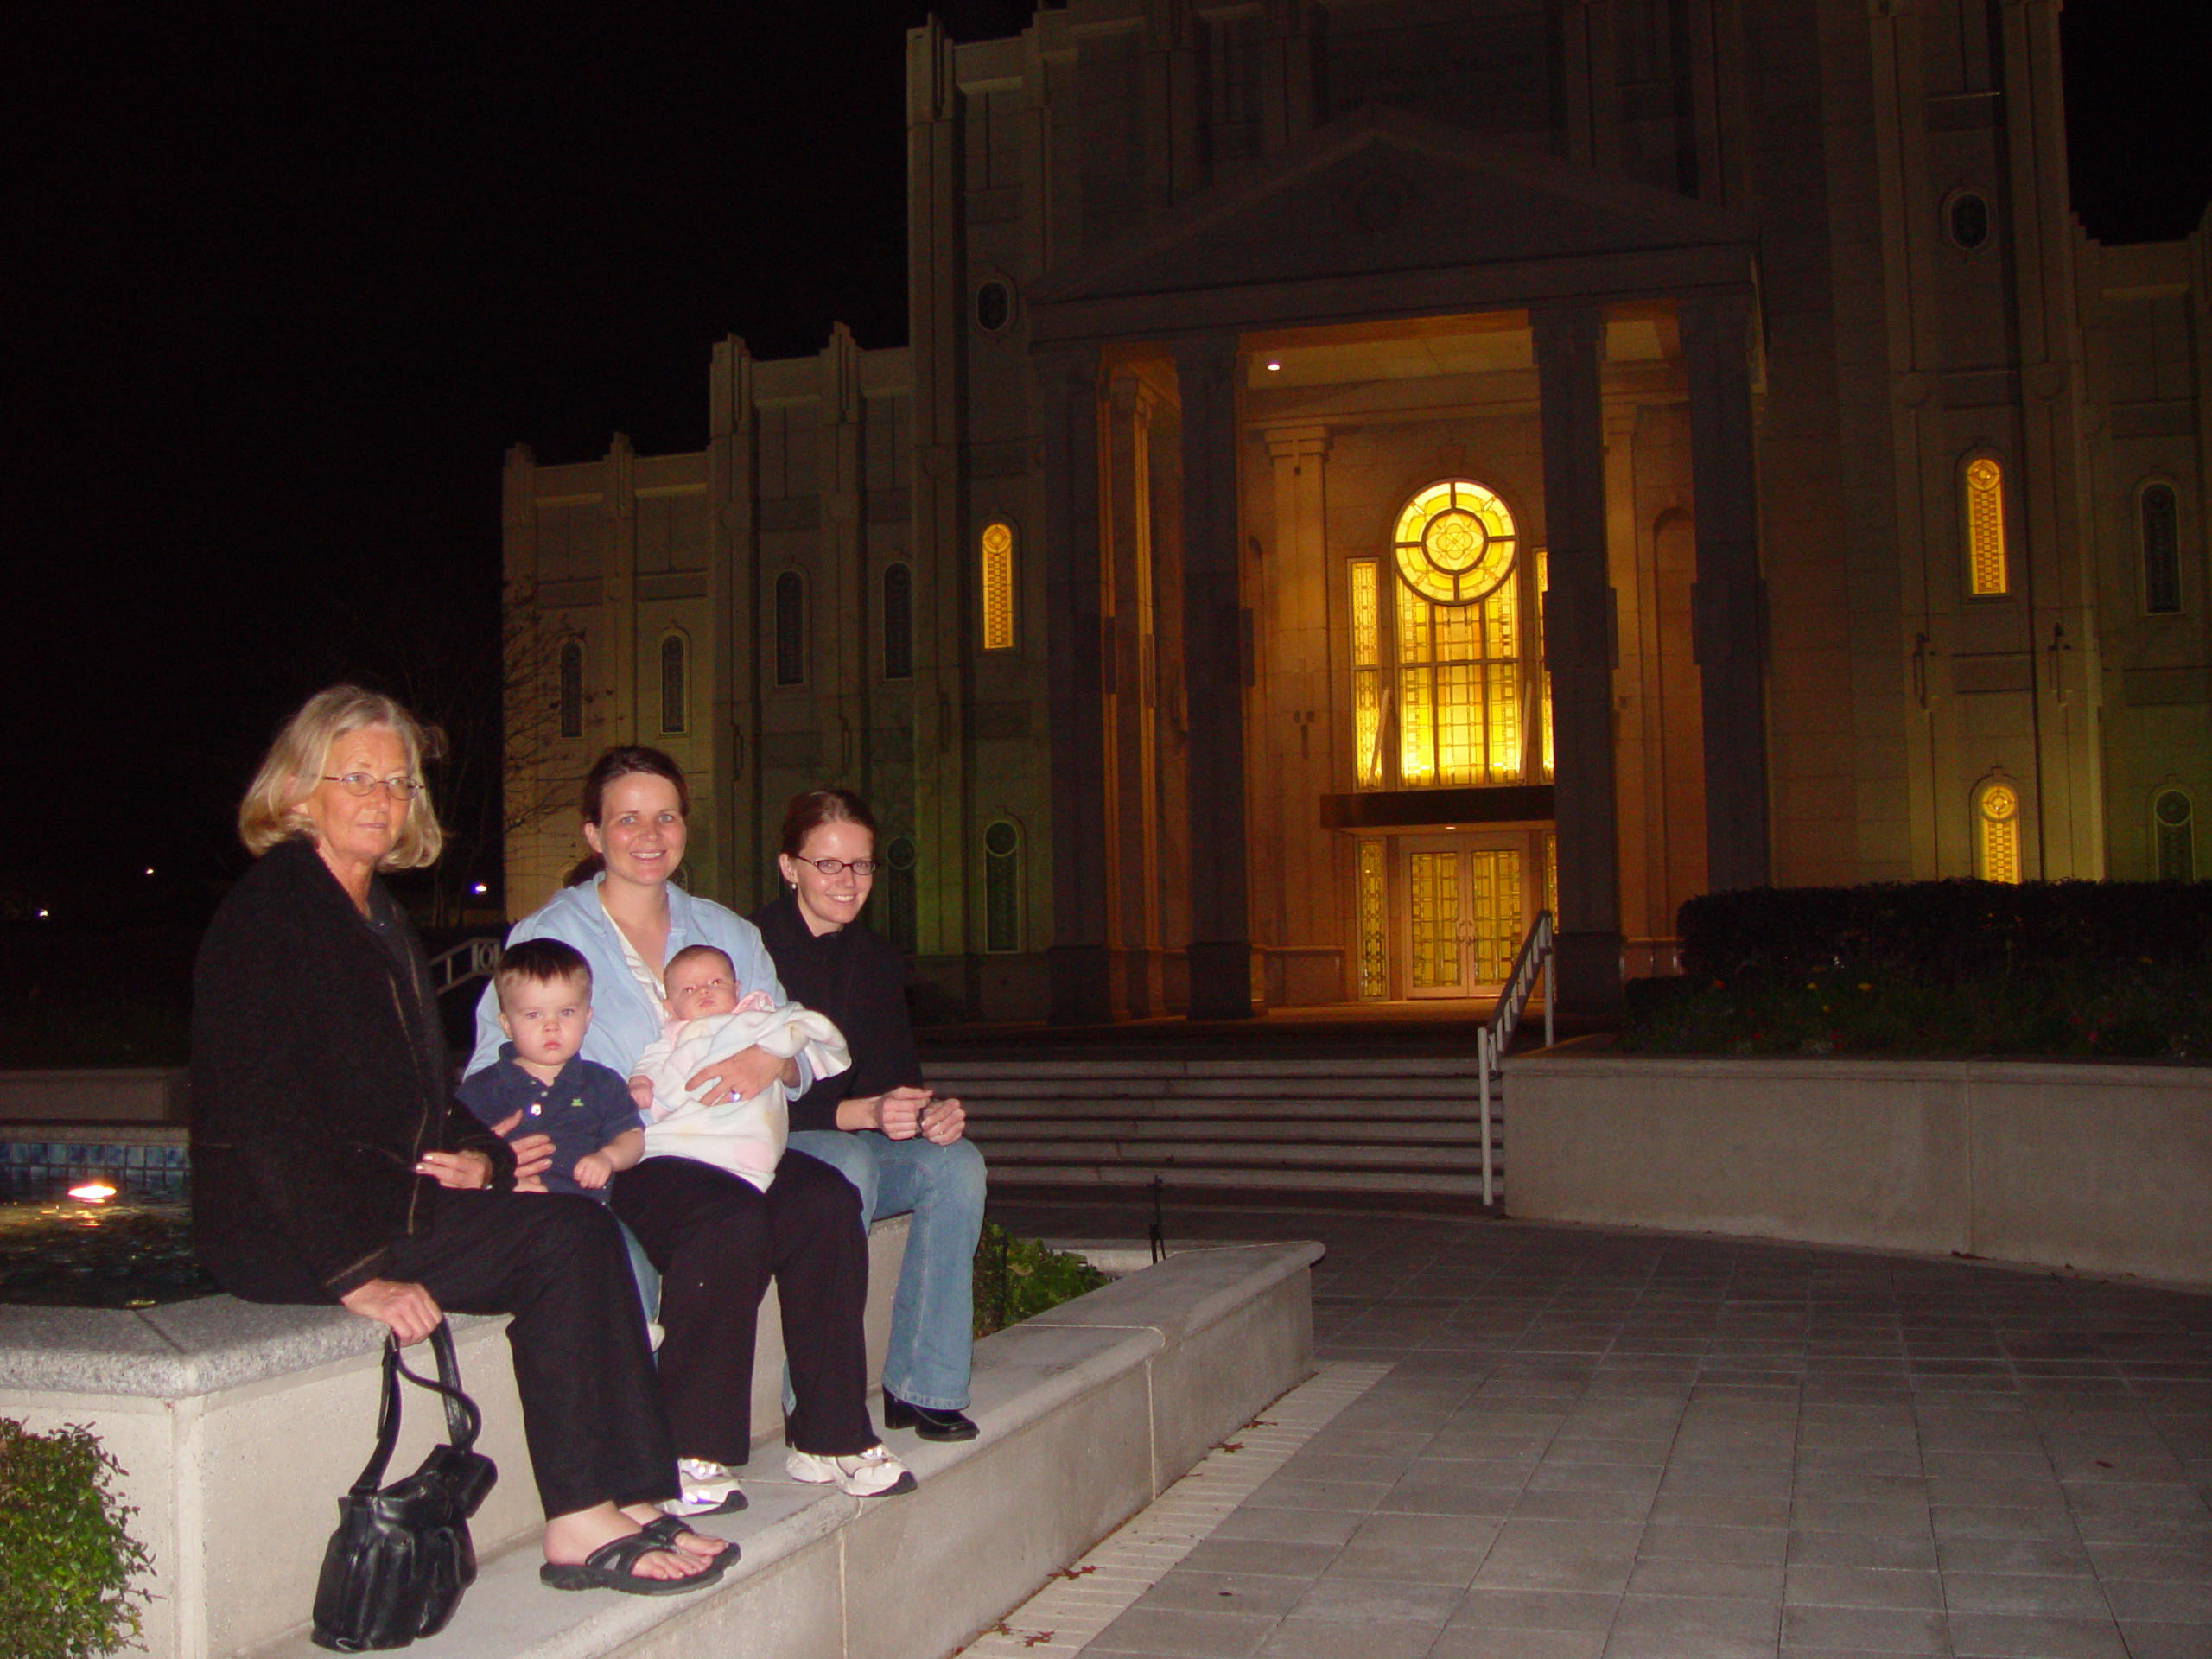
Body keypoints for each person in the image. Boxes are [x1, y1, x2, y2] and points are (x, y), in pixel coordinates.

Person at [189, 686, 728, 1596]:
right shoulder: (273, 917)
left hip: (383, 1197)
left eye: (396, 782)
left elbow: (426, 1082)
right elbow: (263, 1117)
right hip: (305, 1231)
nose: (380, 797)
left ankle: (634, 1491)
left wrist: (479, 1149)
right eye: (354, 776)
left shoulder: (371, 914)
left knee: (580, 1227)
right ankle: (578, 1518)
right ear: (296, 790)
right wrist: (356, 1273)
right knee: (559, 1245)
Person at [473, 747, 913, 1507]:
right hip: (636, 1149)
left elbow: (798, 1044)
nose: (651, 833)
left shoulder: (725, 930)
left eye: (667, 815)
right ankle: (689, 1449)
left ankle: (830, 1432)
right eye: (629, 818)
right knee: (727, 1221)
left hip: (741, 1142)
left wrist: (766, 1062)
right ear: (594, 833)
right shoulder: (549, 936)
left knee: (825, 1198)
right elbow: (494, 1057)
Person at [753, 790, 988, 1442]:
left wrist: (930, 1113)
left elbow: (895, 1081)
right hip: (773, 1144)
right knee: (848, 1163)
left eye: (861, 865)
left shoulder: (877, 958)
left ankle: (923, 1386)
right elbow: (753, 1090)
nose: (847, 881)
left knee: (957, 1165)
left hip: (852, 1133)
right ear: (789, 867)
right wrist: (863, 1111)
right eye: (828, 864)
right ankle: (816, 1403)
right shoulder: (751, 950)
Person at [628, 945, 845, 1196]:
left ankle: (745, 1161)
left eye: (716, 982)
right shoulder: (675, 1034)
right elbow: (653, 1059)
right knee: (659, 1143)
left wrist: (781, 1043)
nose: (704, 991)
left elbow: (795, 1029)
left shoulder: (757, 1017)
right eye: (689, 990)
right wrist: (641, 1081)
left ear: (736, 989)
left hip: (751, 1119)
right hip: (692, 1121)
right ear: (671, 1008)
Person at [459, 939, 644, 1199]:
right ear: (507, 1024)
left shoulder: (601, 1083)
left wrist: (607, 1158)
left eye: (566, 1012)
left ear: (587, 1018)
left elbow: (632, 1137)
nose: (551, 1026)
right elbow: (456, 1154)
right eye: (533, 1015)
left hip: (585, 1215)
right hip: (503, 1211)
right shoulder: (483, 1089)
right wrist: (495, 1178)